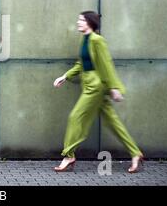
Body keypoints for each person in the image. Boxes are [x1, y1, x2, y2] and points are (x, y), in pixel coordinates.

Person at [53, 11, 144, 173]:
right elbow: (81, 64)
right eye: (79, 20)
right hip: (89, 84)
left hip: (96, 86)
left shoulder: (97, 40)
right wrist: (65, 76)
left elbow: (106, 64)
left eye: (81, 20)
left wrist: (114, 87)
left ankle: (68, 155)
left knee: (75, 117)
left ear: (90, 22)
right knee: (113, 122)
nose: (78, 22)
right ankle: (135, 153)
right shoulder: (84, 39)